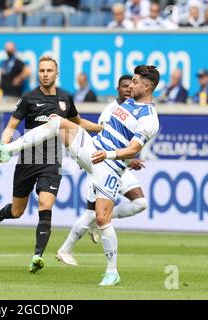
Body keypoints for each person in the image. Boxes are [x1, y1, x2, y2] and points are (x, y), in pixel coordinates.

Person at [0, 65, 160, 286]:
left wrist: (110, 154)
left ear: (147, 85)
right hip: (93, 149)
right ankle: (8, 150)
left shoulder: (150, 118)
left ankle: (112, 272)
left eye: (134, 82)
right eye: (130, 81)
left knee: (102, 218)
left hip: (109, 166)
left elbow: (133, 149)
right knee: (56, 121)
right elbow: (104, 129)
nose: (130, 85)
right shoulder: (126, 104)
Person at [0, 55, 102, 273]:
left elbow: (77, 123)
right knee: (17, 211)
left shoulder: (66, 98)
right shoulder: (28, 98)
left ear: (56, 74)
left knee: (45, 204)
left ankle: (37, 256)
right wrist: (3, 145)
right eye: (42, 71)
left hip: (52, 161)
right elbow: (11, 126)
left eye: (49, 71)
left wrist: (101, 128)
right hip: (28, 159)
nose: (45, 74)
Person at [55, 75, 148, 266]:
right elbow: (102, 140)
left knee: (140, 202)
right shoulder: (111, 111)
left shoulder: (135, 110)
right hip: (101, 166)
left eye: (131, 85)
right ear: (118, 89)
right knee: (91, 214)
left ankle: (99, 223)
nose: (128, 89)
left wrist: (129, 160)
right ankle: (65, 250)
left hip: (120, 166)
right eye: (124, 86)